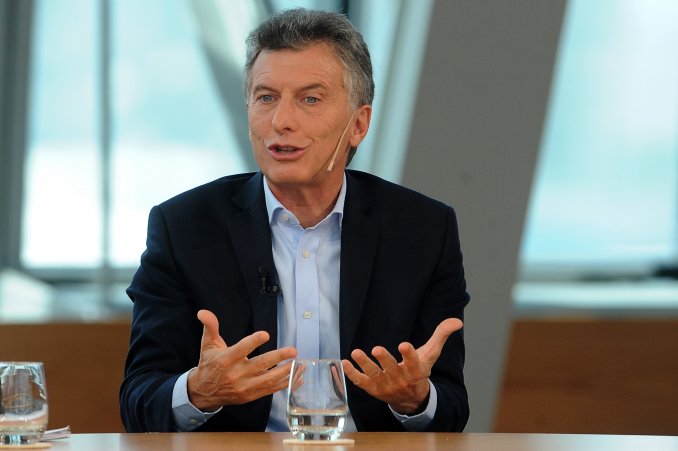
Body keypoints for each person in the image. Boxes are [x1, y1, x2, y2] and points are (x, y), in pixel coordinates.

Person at [120, 8, 470, 433]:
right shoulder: (184, 228)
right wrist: (198, 391)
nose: (281, 121)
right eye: (266, 98)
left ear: (358, 124)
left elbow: (451, 410)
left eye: (310, 99)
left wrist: (416, 399)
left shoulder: (423, 231)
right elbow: (138, 401)